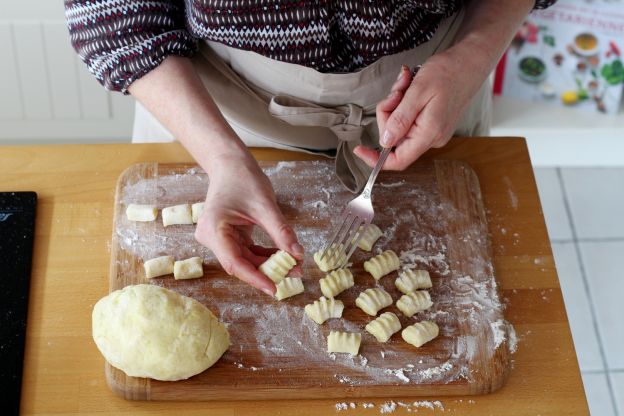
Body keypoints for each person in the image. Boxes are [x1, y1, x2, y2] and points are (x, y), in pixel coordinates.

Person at [65, 0, 554, 296]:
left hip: (437, 85)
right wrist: (223, 160)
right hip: (207, 107)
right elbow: (112, 10)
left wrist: (472, 56)